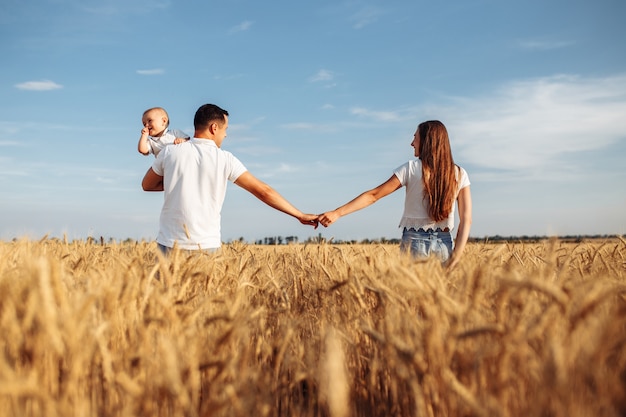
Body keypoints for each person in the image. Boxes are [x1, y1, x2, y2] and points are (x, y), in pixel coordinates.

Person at [142, 103, 318, 253]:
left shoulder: (169, 152)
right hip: (206, 245)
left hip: (168, 244)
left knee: (165, 294)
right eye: (225, 129)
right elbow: (263, 191)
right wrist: (299, 215)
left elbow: (147, 185)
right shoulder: (225, 159)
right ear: (214, 128)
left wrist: (178, 181)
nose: (225, 135)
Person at [317, 120, 472, 269]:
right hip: (444, 245)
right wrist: (455, 257)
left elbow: (374, 195)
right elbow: (466, 220)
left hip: (414, 243)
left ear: (427, 141)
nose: (412, 143)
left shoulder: (410, 168)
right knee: (437, 296)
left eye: (415, 138)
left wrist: (337, 213)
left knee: (410, 296)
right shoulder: (459, 173)